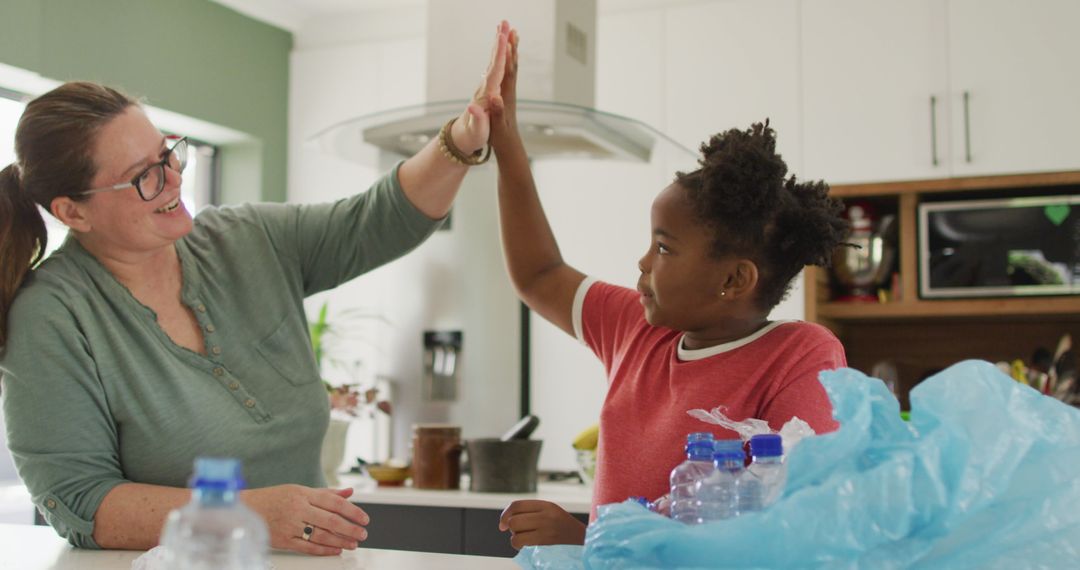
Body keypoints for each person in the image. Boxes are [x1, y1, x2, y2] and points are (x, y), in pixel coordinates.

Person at [0, 21, 514, 555]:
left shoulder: (246, 239)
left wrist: (460, 141)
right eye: (143, 176)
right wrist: (245, 515)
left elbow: (376, 221)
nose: (173, 178)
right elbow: (80, 502)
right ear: (72, 211)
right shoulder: (54, 316)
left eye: (168, 153)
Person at [489, 31, 850, 548]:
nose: (641, 262)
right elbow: (539, 274)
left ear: (733, 279)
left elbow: (783, 530)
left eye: (663, 248)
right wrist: (506, 140)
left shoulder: (801, 356)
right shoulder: (635, 327)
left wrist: (586, 538)